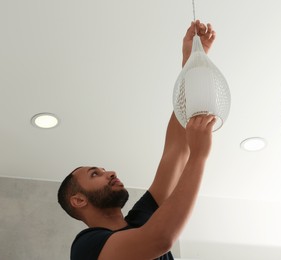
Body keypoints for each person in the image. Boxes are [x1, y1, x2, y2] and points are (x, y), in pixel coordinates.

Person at [57, 20, 217, 260]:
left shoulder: (142, 217)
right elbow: (160, 239)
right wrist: (200, 156)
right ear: (78, 200)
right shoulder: (87, 247)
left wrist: (191, 62)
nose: (109, 172)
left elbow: (175, 151)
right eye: (94, 174)